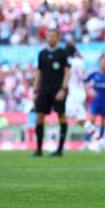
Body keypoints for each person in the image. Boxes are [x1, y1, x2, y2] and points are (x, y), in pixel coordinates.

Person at [32, 24, 71, 157]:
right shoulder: (42, 54)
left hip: (57, 90)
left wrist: (63, 89)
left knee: (61, 116)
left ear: (58, 37)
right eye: (48, 35)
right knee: (39, 117)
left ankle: (59, 149)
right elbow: (39, 72)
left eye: (53, 36)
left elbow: (67, 72)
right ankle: (38, 149)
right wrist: (35, 90)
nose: (50, 38)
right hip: (44, 90)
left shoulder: (62, 53)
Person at [65, 42, 96, 149]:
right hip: (81, 92)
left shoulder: (67, 62)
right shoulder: (80, 62)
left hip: (73, 94)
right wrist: (75, 48)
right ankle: (97, 138)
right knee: (80, 119)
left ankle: (61, 143)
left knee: (64, 115)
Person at [84, 54, 105, 151]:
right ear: (99, 63)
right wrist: (89, 92)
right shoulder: (94, 74)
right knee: (92, 120)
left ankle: (101, 141)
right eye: (103, 62)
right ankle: (87, 141)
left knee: (104, 121)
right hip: (96, 100)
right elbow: (85, 83)